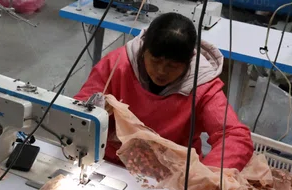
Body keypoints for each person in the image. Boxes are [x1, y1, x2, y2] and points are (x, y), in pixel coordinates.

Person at [76, 12, 253, 171]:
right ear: (144, 49)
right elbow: (78, 109)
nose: (161, 71)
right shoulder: (117, 65)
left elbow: (235, 136)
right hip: (114, 163)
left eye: (172, 66)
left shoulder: (202, 86)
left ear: (188, 62)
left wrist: (206, 178)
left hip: (173, 173)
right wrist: (93, 108)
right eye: (155, 61)